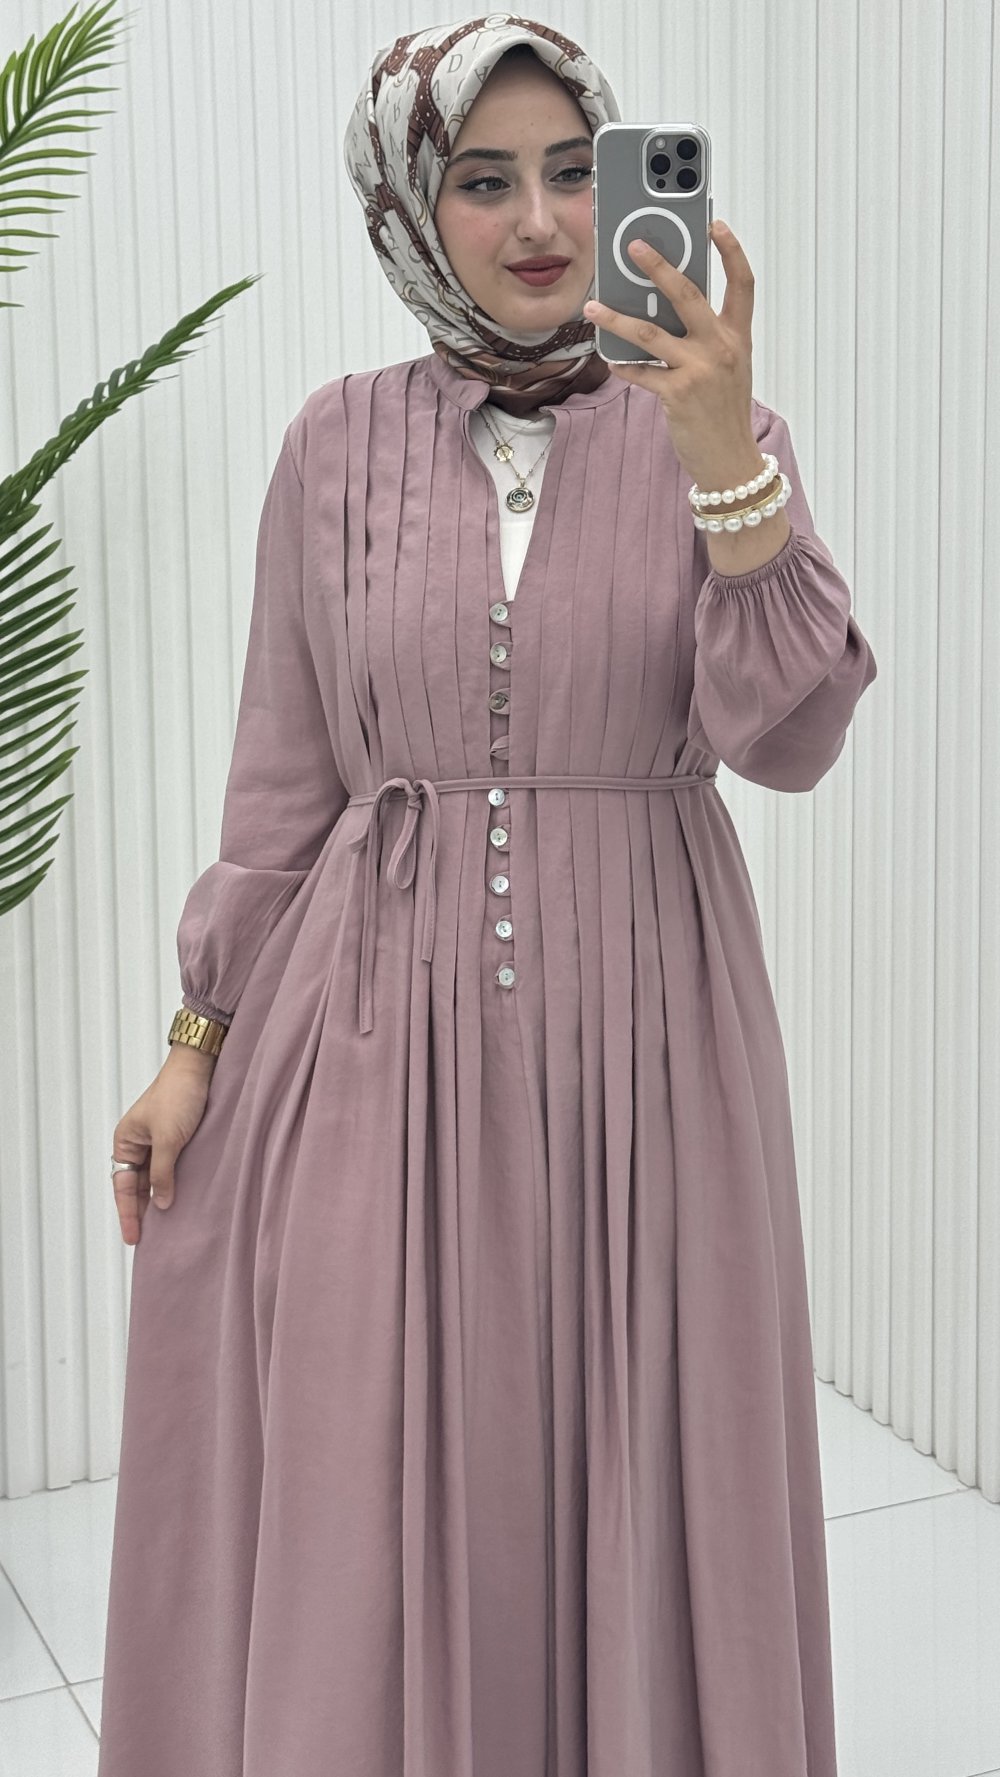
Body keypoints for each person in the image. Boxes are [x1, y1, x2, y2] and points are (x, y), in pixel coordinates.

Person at [98, 16, 877, 1777]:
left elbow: (794, 738)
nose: (538, 220)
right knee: (378, 1458)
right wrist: (196, 1043)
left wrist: (724, 456)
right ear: (405, 203)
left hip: (655, 1042)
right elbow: (283, 783)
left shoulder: (721, 429)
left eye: (573, 172)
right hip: (378, 1034)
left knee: (648, 1440)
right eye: (482, 178)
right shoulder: (331, 442)